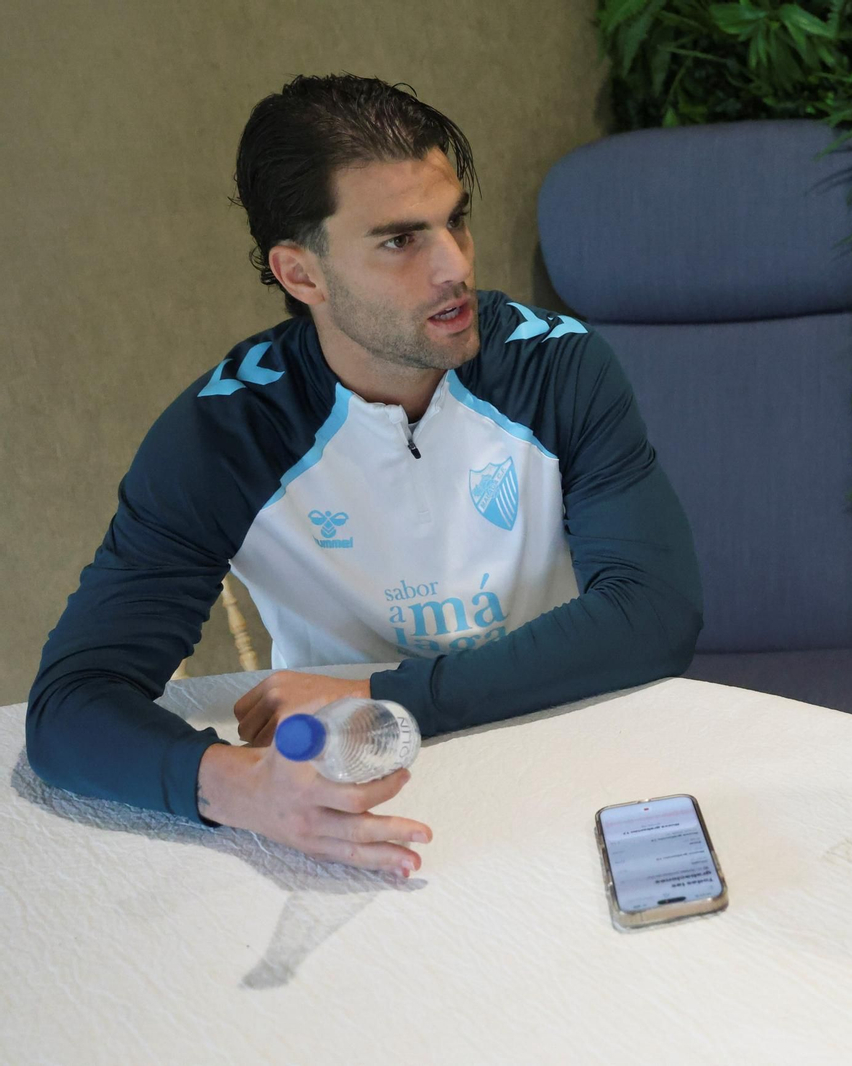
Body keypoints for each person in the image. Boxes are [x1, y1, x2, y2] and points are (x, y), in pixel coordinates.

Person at [26, 75, 703, 880]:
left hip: (561, 732)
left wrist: (385, 696)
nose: (454, 266)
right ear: (300, 274)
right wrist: (240, 789)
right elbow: (72, 705)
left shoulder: (558, 366)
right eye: (399, 240)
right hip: (344, 794)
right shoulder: (226, 433)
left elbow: (653, 615)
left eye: (455, 220)